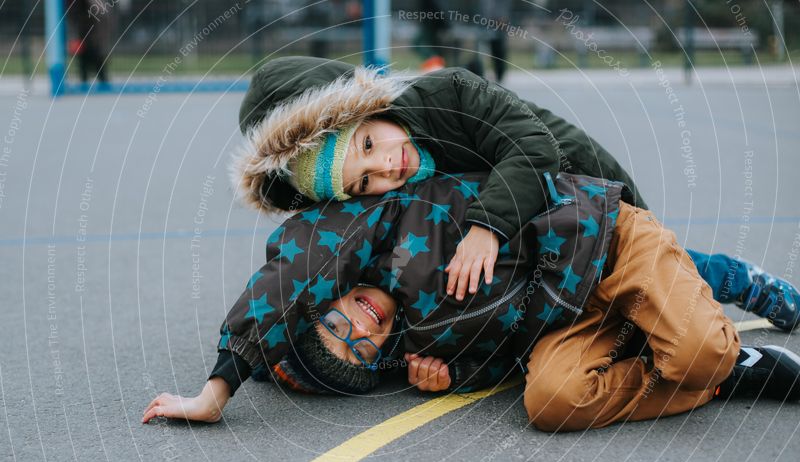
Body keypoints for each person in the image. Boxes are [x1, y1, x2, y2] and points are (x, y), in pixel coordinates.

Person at [142, 171, 800, 431]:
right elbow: (507, 347)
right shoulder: (416, 345)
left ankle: (722, 286)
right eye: (355, 348)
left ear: (327, 295)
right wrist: (456, 376)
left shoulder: (380, 225)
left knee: (692, 338)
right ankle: (725, 374)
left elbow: (293, 272)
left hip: (602, 242)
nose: (357, 325)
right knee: (549, 403)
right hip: (569, 320)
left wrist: (223, 380)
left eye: (335, 320)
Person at [229, 56, 800, 331]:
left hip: (577, 194)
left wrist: (485, 227)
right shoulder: (394, 190)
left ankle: (741, 282)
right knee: (603, 307)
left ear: (367, 109)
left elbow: (532, 146)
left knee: (640, 269)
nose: (386, 167)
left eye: (372, 143)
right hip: (521, 242)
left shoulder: (446, 93)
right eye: (365, 181)